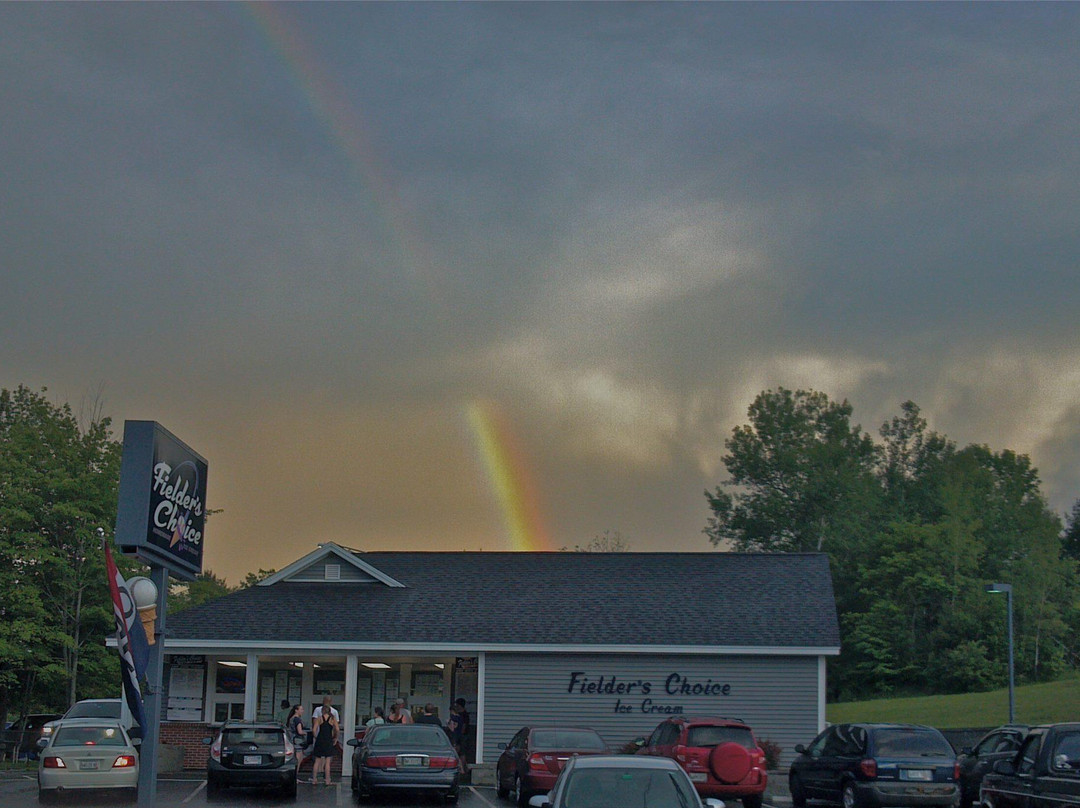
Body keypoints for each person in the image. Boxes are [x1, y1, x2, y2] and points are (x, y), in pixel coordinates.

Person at [309, 705, 339, 785]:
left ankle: (314, 779)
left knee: (317, 761)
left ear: (322, 711)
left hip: (320, 739)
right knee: (327, 762)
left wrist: (316, 737)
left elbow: (314, 730)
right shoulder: (332, 719)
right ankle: (327, 780)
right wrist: (336, 737)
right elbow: (337, 729)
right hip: (328, 740)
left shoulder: (319, 718)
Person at [446, 703, 467, 773]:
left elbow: (452, 728)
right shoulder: (460, 718)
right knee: (462, 754)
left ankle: (461, 769)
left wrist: (448, 724)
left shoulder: (452, 718)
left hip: (454, 737)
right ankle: (464, 768)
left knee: (455, 753)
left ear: (452, 711)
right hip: (460, 736)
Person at [286, 705, 307, 770]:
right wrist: (305, 733)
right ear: (296, 710)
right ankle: (296, 776)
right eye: (301, 709)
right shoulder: (297, 719)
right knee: (299, 759)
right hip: (298, 740)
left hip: (292, 740)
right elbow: (300, 731)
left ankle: (295, 776)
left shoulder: (291, 719)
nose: (302, 711)